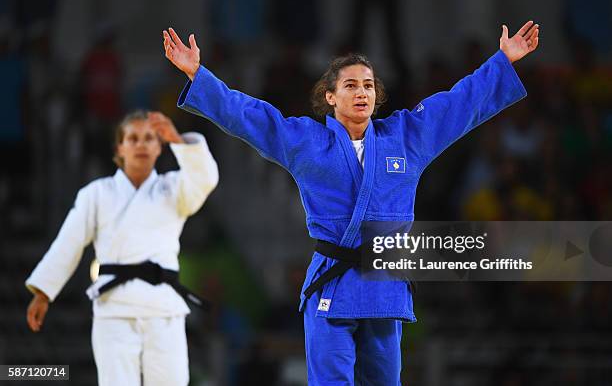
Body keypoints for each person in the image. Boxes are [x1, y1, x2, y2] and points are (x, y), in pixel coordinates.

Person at [162, 20, 539, 385]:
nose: (362, 92)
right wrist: (200, 76)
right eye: (351, 85)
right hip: (333, 283)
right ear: (330, 96)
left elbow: (459, 105)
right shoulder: (308, 143)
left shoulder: (406, 138)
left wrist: (501, 62)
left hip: (383, 285)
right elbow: (252, 117)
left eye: (369, 86)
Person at [25, 110, 219, 386]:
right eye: (133, 138)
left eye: (149, 138)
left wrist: (178, 140)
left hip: (163, 308)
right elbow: (68, 243)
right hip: (114, 308)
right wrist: (43, 292)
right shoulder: (96, 194)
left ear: (159, 146)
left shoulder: (175, 188)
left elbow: (206, 180)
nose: (141, 144)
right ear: (119, 147)